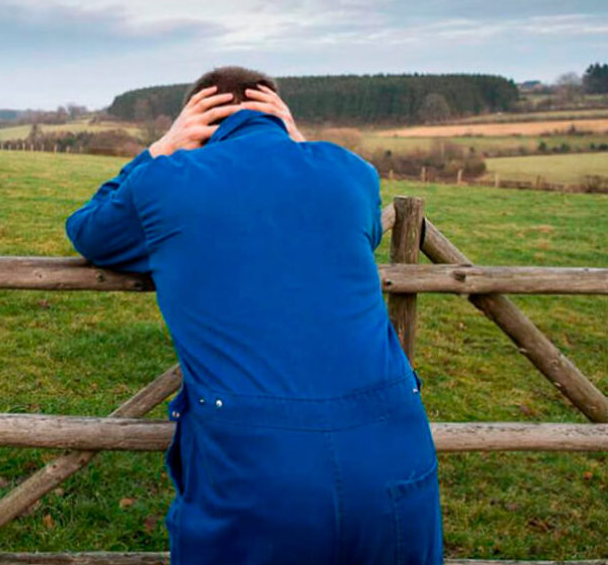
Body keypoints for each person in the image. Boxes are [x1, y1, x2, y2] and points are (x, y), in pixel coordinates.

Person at [64, 66, 443, 565]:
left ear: (196, 118)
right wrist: (302, 144)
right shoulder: (353, 171)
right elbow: (364, 230)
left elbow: (89, 231)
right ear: (280, 114)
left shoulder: (166, 181)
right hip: (396, 457)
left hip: (256, 475)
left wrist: (163, 146)